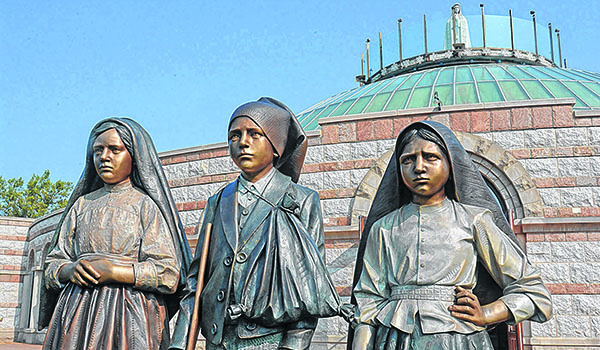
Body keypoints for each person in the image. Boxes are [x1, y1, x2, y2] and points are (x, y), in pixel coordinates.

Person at [350, 121, 552, 349]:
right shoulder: (383, 228)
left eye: (430, 157)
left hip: (460, 339)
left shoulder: (474, 220)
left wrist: (487, 313)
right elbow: (368, 302)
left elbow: (534, 292)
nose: (419, 167)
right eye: (408, 159)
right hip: (394, 340)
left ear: (450, 164)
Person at [171, 97, 348, 350]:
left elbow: (309, 282)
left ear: (276, 144)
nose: (242, 142)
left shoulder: (300, 200)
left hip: (270, 340)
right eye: (234, 135)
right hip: (218, 341)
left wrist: (294, 345)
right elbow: (196, 279)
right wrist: (179, 343)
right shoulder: (218, 201)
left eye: (255, 134)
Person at [39, 118, 192, 350]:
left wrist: (116, 272)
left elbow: (169, 274)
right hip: (76, 314)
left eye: (115, 149)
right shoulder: (80, 206)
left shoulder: (145, 206)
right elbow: (53, 262)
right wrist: (69, 270)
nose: (104, 157)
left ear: (134, 155)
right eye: (97, 151)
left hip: (130, 317)